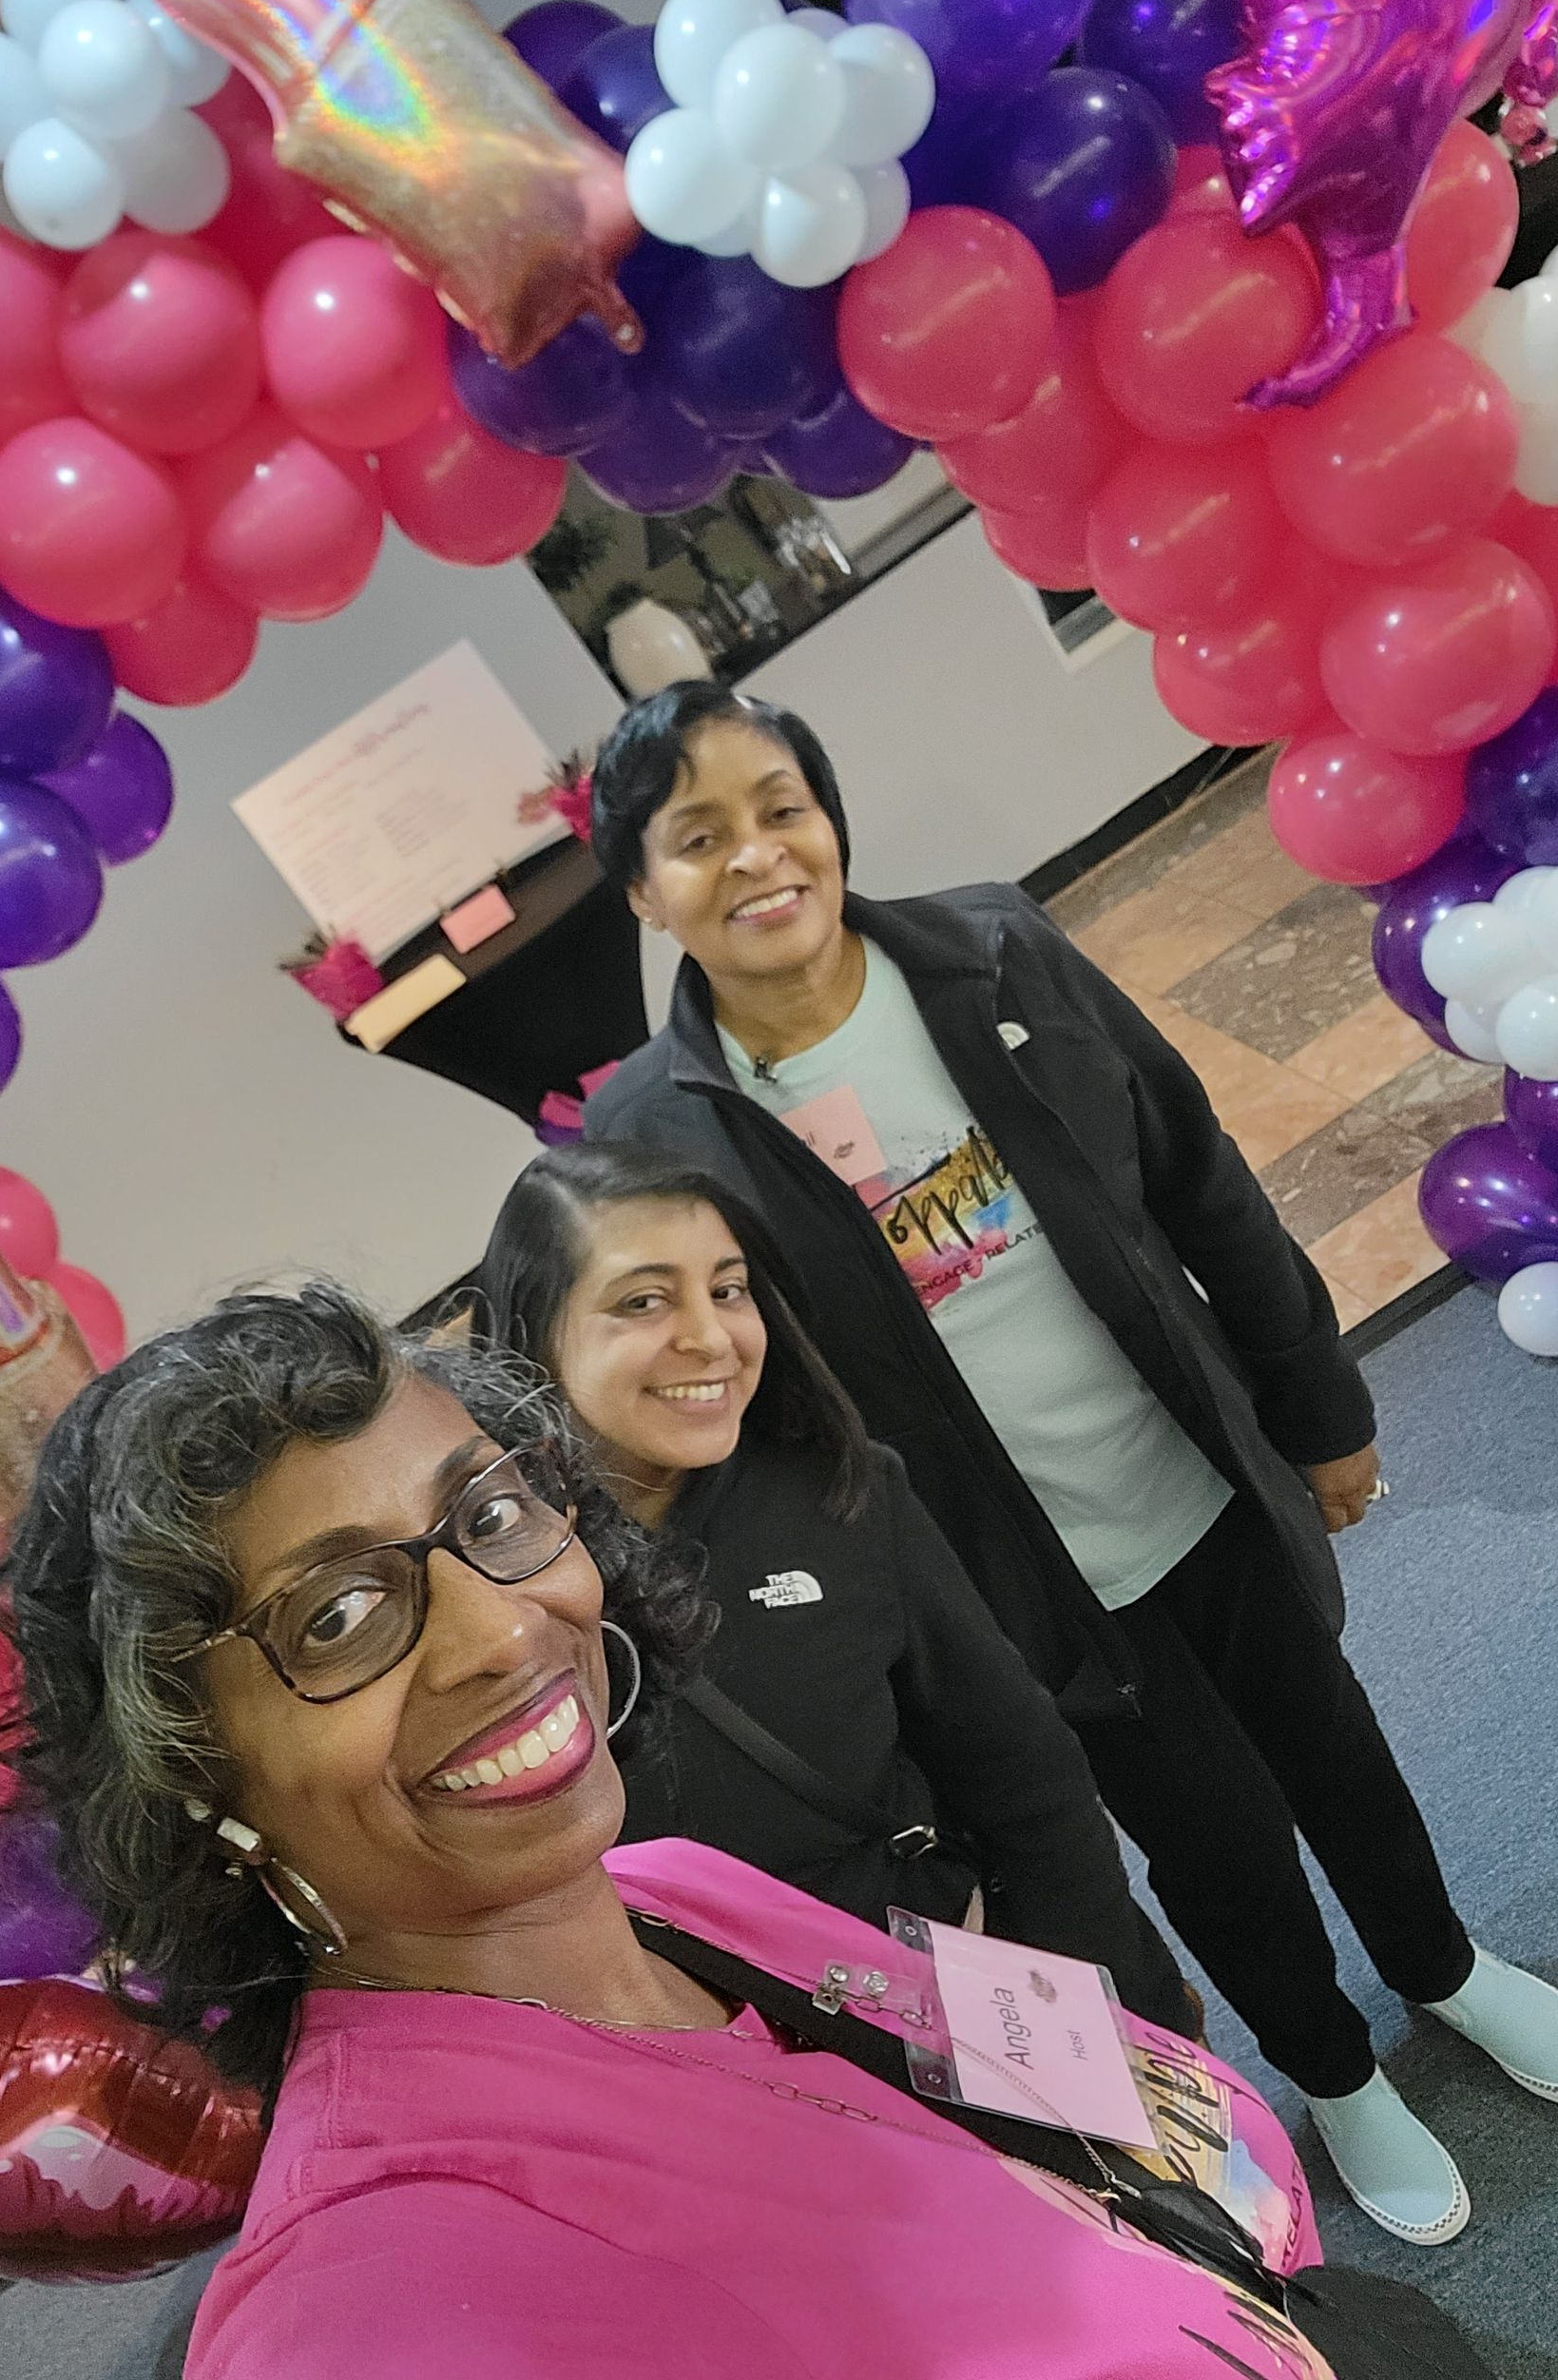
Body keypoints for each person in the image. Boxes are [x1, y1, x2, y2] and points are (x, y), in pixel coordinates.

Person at [581, 678, 1558, 2246]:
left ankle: (1446, 1969)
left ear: (829, 820)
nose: (759, 857)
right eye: (699, 838)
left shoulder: (994, 952)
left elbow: (1196, 1179)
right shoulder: (653, 1143)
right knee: (1215, 1839)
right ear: (642, 887)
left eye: (783, 809)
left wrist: (1316, 1405)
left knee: (1339, 1749)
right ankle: (1330, 2070)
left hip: (1196, 1473)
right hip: (1011, 1583)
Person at [0, 1281, 1337, 2380]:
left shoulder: (672, 1891)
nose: (504, 1628)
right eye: (334, 1616)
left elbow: (1095, 2093)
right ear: (195, 1781)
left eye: (489, 1514)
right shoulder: (372, 2308)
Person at [474, 1138, 1190, 2030]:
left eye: (728, 1289)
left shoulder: (845, 1497)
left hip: (945, 2019)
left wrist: (1132, 2020)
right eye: (645, 1300)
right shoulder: (485, 1596)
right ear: (536, 1331)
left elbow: (1027, 1779)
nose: (710, 1336)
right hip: (727, 2095)